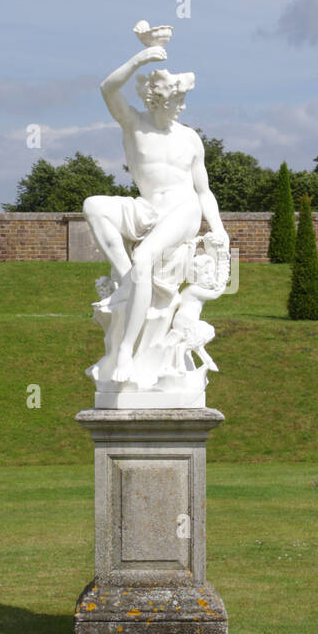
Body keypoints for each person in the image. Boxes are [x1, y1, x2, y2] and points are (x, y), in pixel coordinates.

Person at [82, 46, 229, 384]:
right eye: (177, 102)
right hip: (148, 208)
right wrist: (141, 59)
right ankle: (127, 279)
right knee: (94, 205)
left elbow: (203, 191)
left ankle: (125, 351)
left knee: (146, 255)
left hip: (183, 208)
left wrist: (219, 229)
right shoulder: (133, 123)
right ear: (156, 101)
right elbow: (107, 88)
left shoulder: (190, 138)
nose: (182, 108)